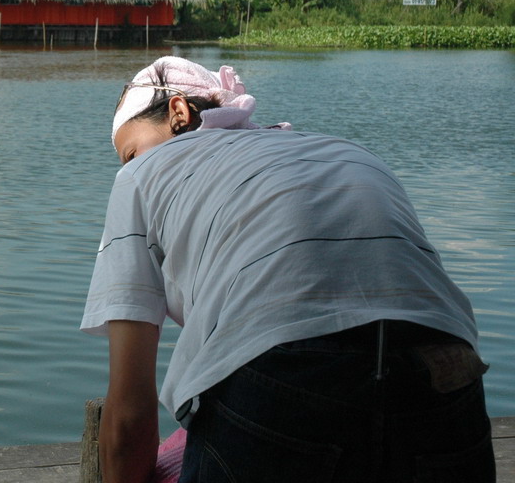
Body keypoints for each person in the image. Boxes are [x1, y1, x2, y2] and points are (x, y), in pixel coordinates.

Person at [81, 56, 494, 483]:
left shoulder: (140, 177)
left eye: (130, 152)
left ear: (179, 113)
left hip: (280, 369)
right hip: (446, 364)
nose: (128, 166)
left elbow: (129, 414)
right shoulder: (343, 149)